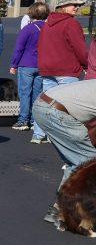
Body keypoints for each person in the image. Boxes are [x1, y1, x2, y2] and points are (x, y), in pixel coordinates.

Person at [33, 79, 96, 227]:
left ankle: (59, 210)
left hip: (44, 106)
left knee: (77, 161)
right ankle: (65, 212)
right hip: (55, 111)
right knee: (89, 163)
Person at [38, 0, 89, 120]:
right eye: (73, 5)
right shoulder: (71, 23)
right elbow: (79, 48)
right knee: (69, 107)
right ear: (63, 7)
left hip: (47, 69)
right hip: (67, 70)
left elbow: (41, 45)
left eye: (77, 5)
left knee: (47, 104)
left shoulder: (47, 23)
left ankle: (39, 135)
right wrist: (86, 65)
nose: (76, 8)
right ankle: (64, 136)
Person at [10, 2, 50, 133]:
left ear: (32, 13)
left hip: (26, 64)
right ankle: (34, 121)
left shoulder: (28, 29)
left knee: (24, 93)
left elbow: (19, 48)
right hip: (42, 65)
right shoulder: (49, 28)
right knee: (37, 94)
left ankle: (23, 120)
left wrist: (13, 65)